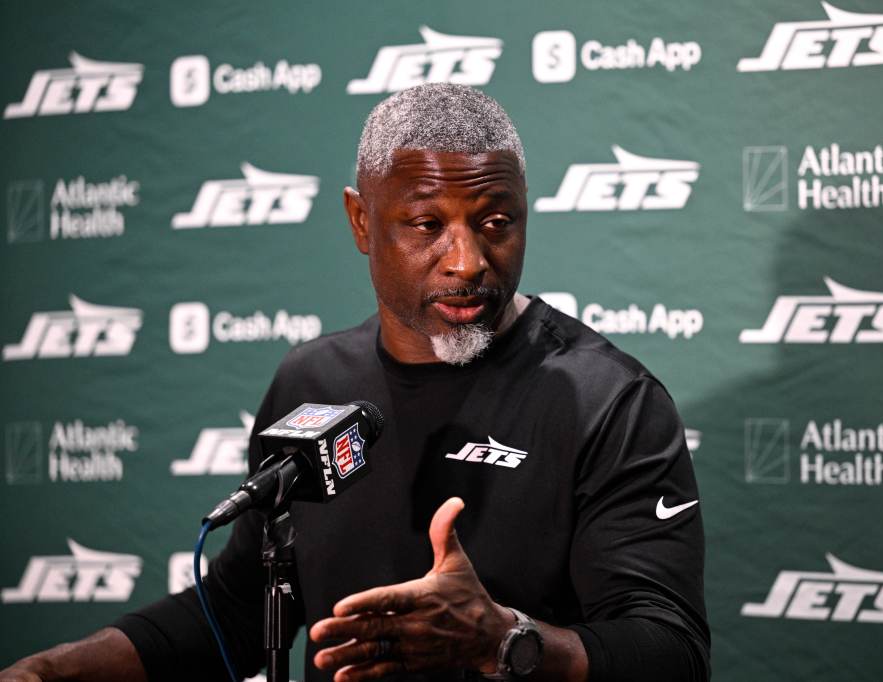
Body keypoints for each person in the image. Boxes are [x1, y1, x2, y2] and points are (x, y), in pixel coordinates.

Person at [2, 84, 709, 682]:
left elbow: (671, 652)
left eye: (496, 221)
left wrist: (504, 638)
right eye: (426, 223)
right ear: (361, 221)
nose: (466, 259)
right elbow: (244, 605)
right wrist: (53, 671)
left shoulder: (607, 401)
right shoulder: (313, 382)